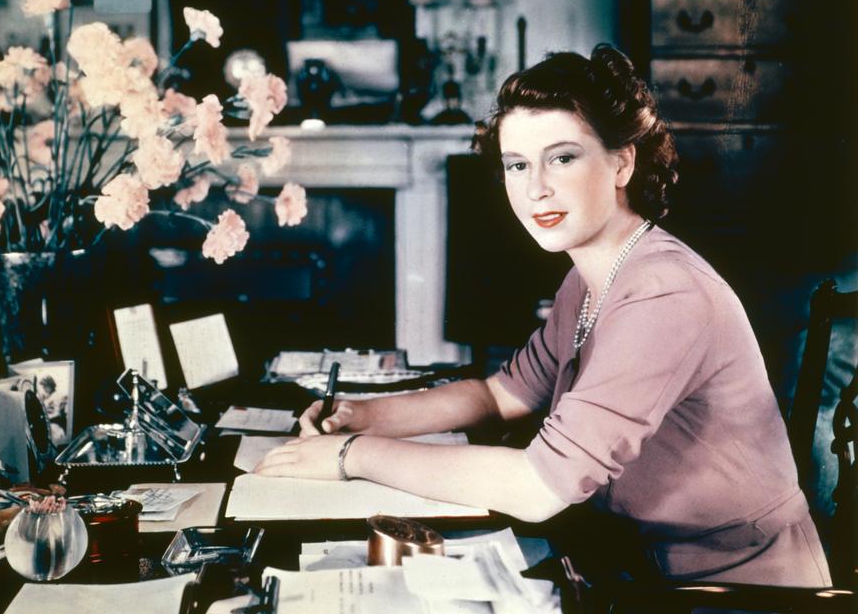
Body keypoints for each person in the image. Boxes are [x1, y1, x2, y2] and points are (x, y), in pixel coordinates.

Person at [256, 44, 831, 586]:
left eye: (562, 157)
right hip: (631, 562)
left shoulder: (665, 295)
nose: (537, 190)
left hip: (738, 585)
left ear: (622, 163)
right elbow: (495, 397)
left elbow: (537, 487)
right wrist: (363, 416)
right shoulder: (588, 278)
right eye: (516, 165)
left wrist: (349, 457)